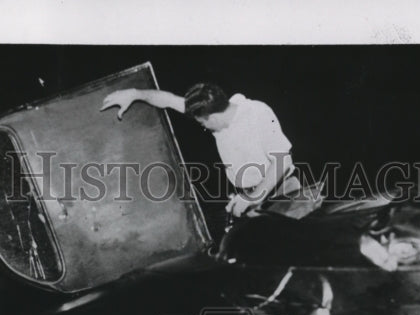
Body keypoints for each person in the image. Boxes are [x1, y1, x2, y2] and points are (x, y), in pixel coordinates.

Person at [101, 82, 301, 217]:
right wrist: (135, 94)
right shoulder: (212, 111)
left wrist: (253, 197)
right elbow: (169, 100)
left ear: (212, 117)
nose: (203, 127)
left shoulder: (257, 113)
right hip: (251, 199)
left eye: (203, 123)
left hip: (282, 194)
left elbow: (283, 160)